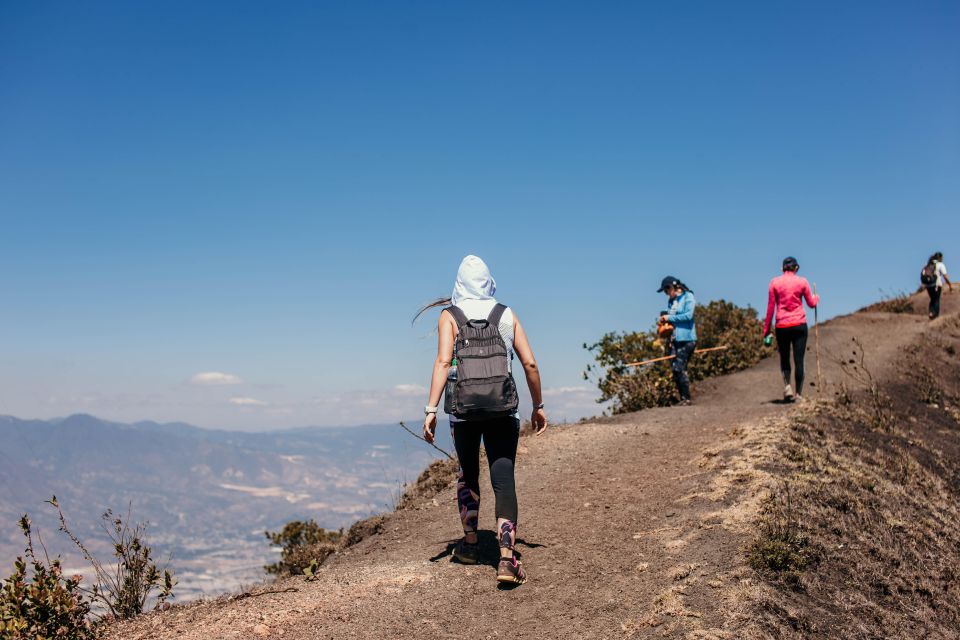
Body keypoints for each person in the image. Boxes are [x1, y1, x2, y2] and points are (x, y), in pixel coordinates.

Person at [415, 255, 547, 586]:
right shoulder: (506, 314)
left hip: (463, 411)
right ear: (490, 282)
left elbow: (444, 362)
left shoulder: (450, 315)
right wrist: (538, 405)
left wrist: (431, 410)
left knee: (467, 474)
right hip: (504, 410)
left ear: (458, 284)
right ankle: (506, 559)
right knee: (503, 479)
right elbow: (530, 364)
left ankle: (470, 546)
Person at [763, 257, 819, 402]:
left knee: (785, 357)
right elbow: (812, 304)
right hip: (799, 324)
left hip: (782, 326)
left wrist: (766, 330)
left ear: (782, 269)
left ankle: (787, 386)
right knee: (799, 359)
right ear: (796, 268)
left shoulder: (774, 283)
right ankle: (798, 395)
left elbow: (770, 309)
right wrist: (816, 297)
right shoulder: (802, 282)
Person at [657, 276, 696, 406]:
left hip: (687, 338)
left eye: (666, 290)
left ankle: (687, 398)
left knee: (680, 367)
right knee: (675, 369)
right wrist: (664, 319)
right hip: (674, 339)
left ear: (673, 287)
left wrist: (670, 317)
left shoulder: (688, 297)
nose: (666, 293)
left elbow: (688, 316)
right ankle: (682, 398)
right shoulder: (671, 301)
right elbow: (671, 319)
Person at [923, 252, 952, 320]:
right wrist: (950, 284)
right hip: (936, 284)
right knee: (936, 300)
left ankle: (931, 313)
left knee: (932, 299)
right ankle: (935, 316)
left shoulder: (929, 264)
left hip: (928, 285)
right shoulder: (940, 264)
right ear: (940, 258)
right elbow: (945, 276)